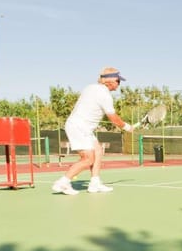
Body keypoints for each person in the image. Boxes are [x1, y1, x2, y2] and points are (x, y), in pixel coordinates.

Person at [51, 67, 133, 195]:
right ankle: (63, 182)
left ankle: (95, 183)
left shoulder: (90, 88)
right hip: (79, 127)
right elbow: (113, 118)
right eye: (118, 81)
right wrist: (127, 127)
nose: (118, 84)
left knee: (98, 150)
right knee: (88, 159)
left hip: (82, 127)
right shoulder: (104, 94)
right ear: (110, 80)